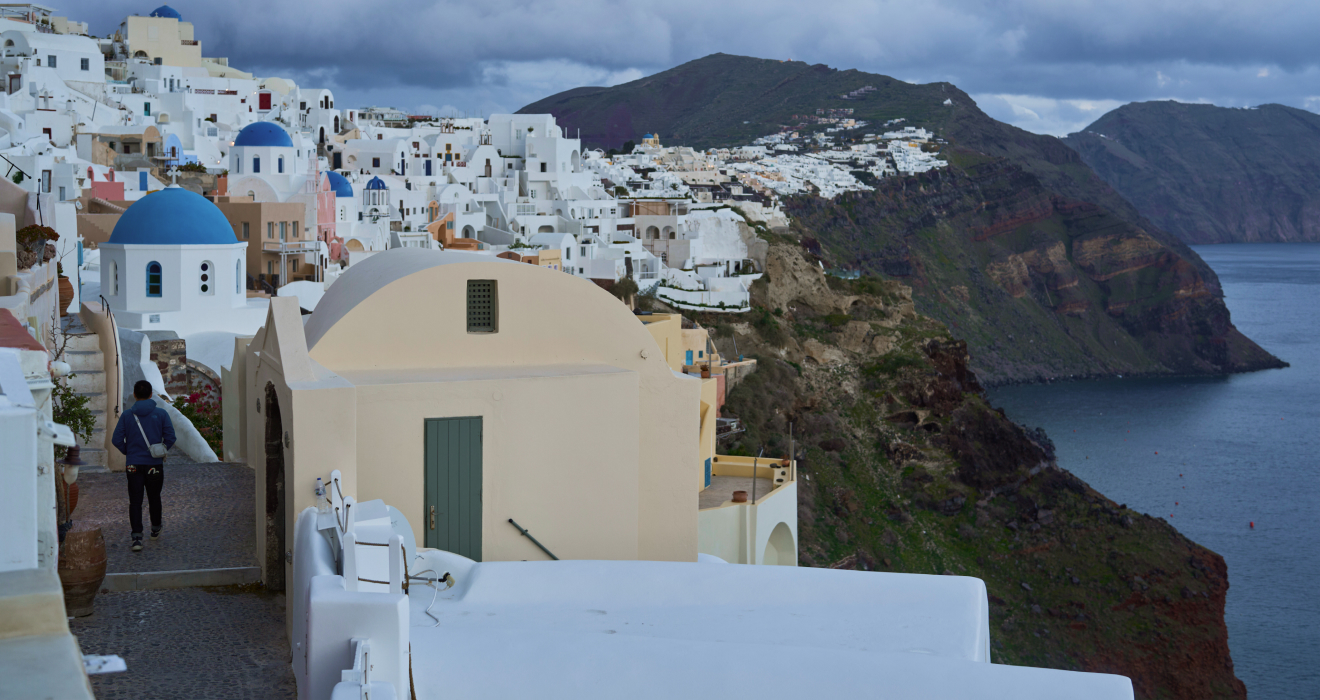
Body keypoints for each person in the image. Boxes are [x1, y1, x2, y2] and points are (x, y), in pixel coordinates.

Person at [111, 380, 177, 552]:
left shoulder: (126, 415)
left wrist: (129, 452)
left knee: (135, 501)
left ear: (134, 395)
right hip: (154, 464)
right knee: (154, 497)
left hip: (133, 464)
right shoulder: (161, 414)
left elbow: (116, 440)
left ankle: (136, 538)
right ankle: (155, 529)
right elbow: (170, 437)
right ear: (150, 395)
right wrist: (161, 450)